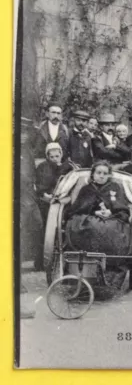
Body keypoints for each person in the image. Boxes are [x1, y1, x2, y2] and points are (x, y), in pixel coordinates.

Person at [65, 161, 132, 289]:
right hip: (90, 218)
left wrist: (111, 211)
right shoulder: (86, 189)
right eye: (98, 173)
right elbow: (78, 208)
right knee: (89, 226)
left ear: (109, 175)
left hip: (112, 218)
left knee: (115, 230)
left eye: (105, 173)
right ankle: (88, 269)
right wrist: (94, 211)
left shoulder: (115, 187)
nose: (101, 176)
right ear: (93, 175)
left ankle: (110, 273)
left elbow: (122, 209)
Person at [20, 117, 45, 273]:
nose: (23, 135)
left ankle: (39, 263)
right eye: (20, 131)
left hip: (30, 195)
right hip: (18, 195)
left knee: (38, 225)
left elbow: (32, 172)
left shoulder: (27, 149)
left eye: (25, 132)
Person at [35, 143, 74, 223]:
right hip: (47, 197)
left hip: (64, 196)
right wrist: (44, 194)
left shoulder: (68, 166)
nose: (55, 159)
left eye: (57, 156)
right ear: (47, 157)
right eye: (51, 157)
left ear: (61, 154)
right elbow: (39, 183)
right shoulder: (42, 167)